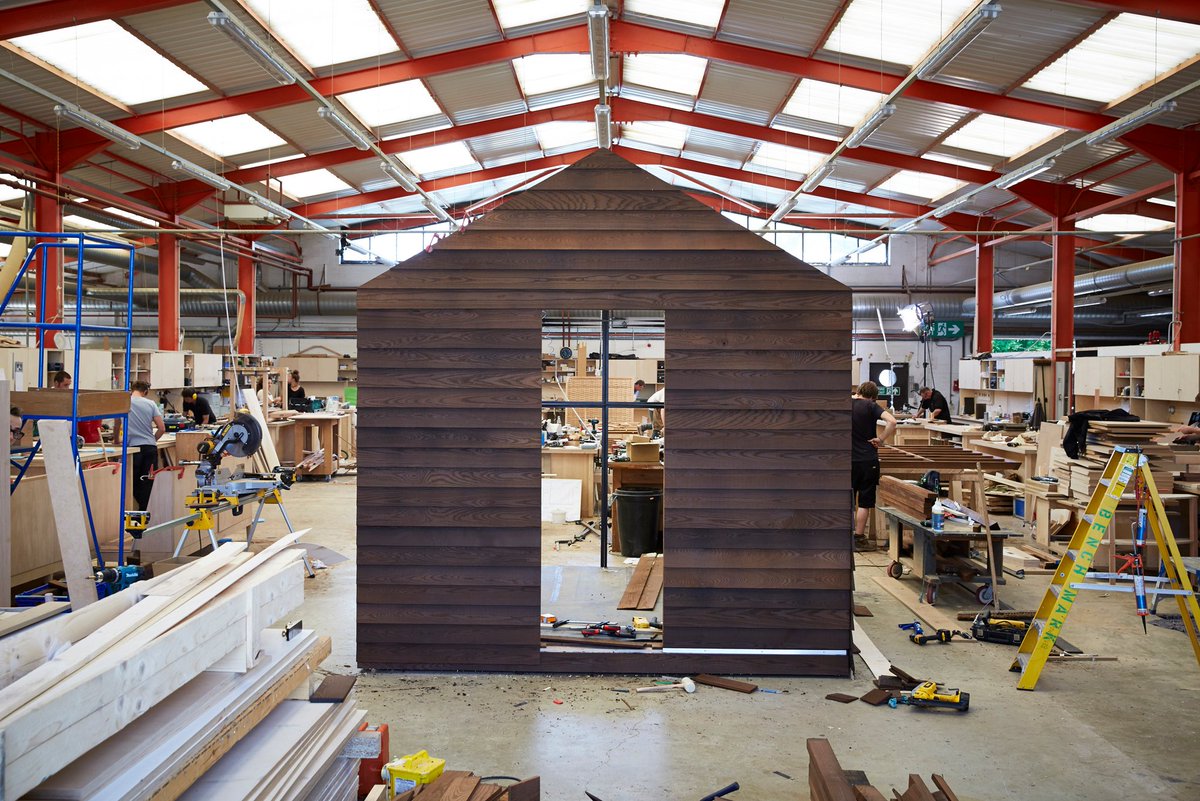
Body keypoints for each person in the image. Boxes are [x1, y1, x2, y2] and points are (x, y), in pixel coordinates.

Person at [852, 381, 896, 546]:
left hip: (847, 460)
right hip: (867, 460)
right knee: (864, 501)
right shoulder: (870, 406)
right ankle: (859, 538)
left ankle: (843, 537)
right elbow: (892, 421)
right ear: (873, 397)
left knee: (846, 500)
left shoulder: (846, 403)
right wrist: (881, 439)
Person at [129, 380, 165, 511]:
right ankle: (146, 514)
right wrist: (152, 440)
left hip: (132, 449)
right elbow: (161, 428)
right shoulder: (150, 404)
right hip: (149, 448)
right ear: (146, 392)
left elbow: (117, 425)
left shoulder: (124, 402)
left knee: (132, 482)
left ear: (132, 390)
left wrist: (116, 440)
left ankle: (138, 514)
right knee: (148, 481)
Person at [51, 370, 104, 443]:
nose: (68, 388)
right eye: (65, 385)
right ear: (56, 383)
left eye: (69, 385)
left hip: (69, 434)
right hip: (55, 434)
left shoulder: (68, 396)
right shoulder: (50, 398)